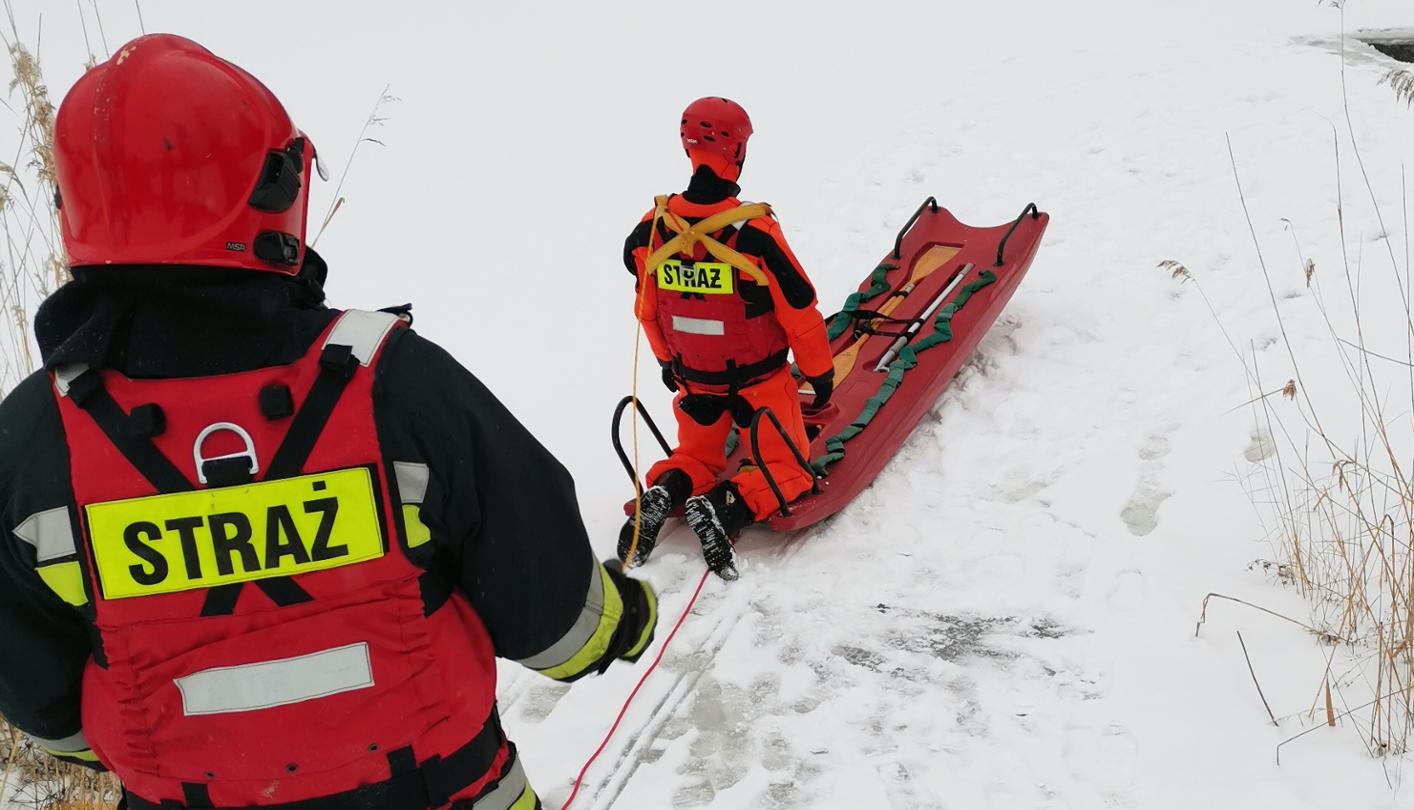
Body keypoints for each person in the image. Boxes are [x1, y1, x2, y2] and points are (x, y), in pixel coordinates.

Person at [0, 34, 658, 810]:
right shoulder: (395, 387)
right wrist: (625, 624)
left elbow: (41, 703)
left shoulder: (34, 441)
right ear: (270, 190)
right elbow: (552, 612)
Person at [619, 97, 834, 581]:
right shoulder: (754, 232)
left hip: (695, 382)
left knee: (697, 454)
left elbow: (648, 310)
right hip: (759, 384)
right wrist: (820, 375)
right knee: (790, 470)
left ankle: (670, 488)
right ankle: (727, 505)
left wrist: (666, 362)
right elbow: (801, 314)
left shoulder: (650, 231)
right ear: (736, 150)